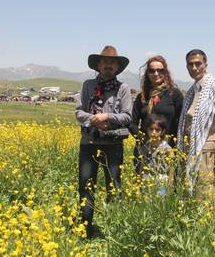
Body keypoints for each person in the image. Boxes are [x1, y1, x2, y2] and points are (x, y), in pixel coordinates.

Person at [75, 45, 132, 238]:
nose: (108, 65)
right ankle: (85, 231)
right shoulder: (87, 85)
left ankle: (113, 232)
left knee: (114, 188)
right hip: (88, 144)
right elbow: (79, 112)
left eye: (112, 62)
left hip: (113, 146)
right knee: (85, 186)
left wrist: (106, 116)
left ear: (117, 66)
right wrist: (94, 120)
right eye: (105, 61)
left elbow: (127, 117)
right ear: (98, 65)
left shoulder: (123, 88)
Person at [177, 49, 215, 195]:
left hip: (208, 151)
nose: (194, 68)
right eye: (190, 65)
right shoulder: (192, 91)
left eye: (198, 64)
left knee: (206, 193)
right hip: (190, 149)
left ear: (205, 64)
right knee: (191, 193)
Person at [130, 55, 183, 175]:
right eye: (152, 70)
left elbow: (180, 122)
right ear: (147, 74)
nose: (156, 73)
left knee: (167, 187)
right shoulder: (142, 97)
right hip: (144, 150)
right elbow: (132, 123)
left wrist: (170, 142)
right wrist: (144, 139)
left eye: (160, 70)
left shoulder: (174, 94)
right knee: (143, 187)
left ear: (166, 72)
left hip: (167, 149)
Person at [138, 114, 172, 196]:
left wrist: (171, 185)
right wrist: (138, 185)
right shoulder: (145, 146)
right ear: (147, 130)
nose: (154, 132)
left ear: (162, 131)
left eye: (157, 130)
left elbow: (172, 168)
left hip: (161, 181)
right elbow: (142, 165)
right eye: (151, 129)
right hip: (147, 180)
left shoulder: (166, 148)